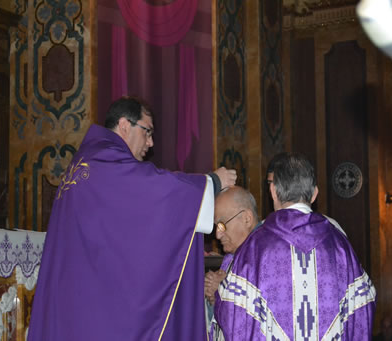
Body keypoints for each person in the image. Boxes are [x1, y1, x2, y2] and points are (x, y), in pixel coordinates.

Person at [28, 96, 237, 341]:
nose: (151, 142)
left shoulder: (89, 160)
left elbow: (122, 231)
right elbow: (153, 190)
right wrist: (211, 182)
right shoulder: (104, 161)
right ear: (125, 125)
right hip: (90, 301)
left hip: (79, 294)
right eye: (147, 131)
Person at [212, 152, 376, 340]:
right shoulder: (340, 245)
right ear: (314, 194)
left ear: (273, 191)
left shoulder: (254, 248)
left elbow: (233, 316)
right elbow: (363, 307)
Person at [204, 186, 261, 306]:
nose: (218, 235)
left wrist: (224, 291)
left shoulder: (266, 255)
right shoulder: (232, 256)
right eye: (217, 226)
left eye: (222, 224)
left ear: (247, 219)